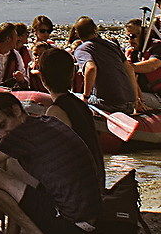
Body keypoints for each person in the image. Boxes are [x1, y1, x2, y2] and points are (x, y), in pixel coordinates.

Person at [0, 92, 100, 234]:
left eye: (3, 125)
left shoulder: (19, 135)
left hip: (70, 230)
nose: (2, 135)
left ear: (16, 110)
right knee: (10, 162)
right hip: (88, 225)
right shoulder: (46, 122)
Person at [33, 46, 106, 178]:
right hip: (94, 182)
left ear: (42, 78)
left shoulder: (56, 111)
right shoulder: (80, 105)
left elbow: (51, 156)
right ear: (72, 75)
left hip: (78, 190)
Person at [70, 17, 139, 115]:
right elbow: (130, 70)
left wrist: (85, 96)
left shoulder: (82, 50)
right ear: (95, 29)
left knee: (71, 96)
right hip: (129, 103)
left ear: (77, 33)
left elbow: (91, 68)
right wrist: (135, 99)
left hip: (108, 103)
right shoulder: (112, 45)